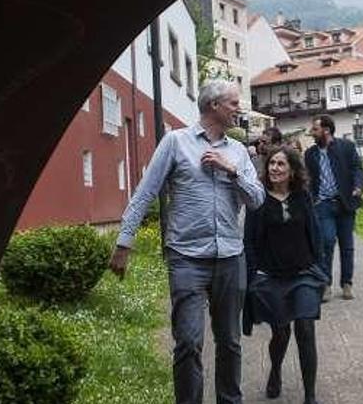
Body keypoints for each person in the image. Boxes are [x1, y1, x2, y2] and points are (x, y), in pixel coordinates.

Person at [108, 80, 264, 404]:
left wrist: (232, 171)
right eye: (234, 104)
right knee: (189, 343)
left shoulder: (237, 152)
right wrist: (124, 242)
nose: (239, 109)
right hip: (187, 259)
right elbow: (146, 192)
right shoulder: (176, 142)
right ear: (214, 106)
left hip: (230, 258)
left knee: (230, 342)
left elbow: (258, 200)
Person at [243, 147, 326, 404]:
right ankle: (276, 370)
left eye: (281, 164)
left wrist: (321, 270)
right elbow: (249, 242)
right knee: (280, 333)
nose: (275, 168)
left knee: (305, 326)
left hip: (303, 275)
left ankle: (310, 395)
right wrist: (251, 278)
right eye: (272, 164)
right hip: (271, 277)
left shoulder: (302, 196)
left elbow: (314, 233)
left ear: (292, 170)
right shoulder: (258, 200)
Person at [304, 115, 363, 301]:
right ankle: (326, 284)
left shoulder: (346, 146)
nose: (311, 133)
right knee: (327, 242)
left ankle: (347, 283)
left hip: (345, 202)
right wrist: (310, 199)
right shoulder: (310, 153)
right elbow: (307, 179)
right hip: (322, 204)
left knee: (347, 246)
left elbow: (357, 168)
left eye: (315, 129)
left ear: (326, 130)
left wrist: (358, 186)